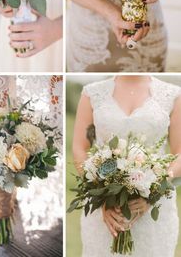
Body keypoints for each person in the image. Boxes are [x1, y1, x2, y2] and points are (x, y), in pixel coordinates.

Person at [73, 75, 181, 256]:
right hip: (105, 212)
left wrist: (154, 191)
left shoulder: (173, 94)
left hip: (154, 212)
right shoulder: (92, 93)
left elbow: (179, 153)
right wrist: (102, 197)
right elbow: (79, 148)